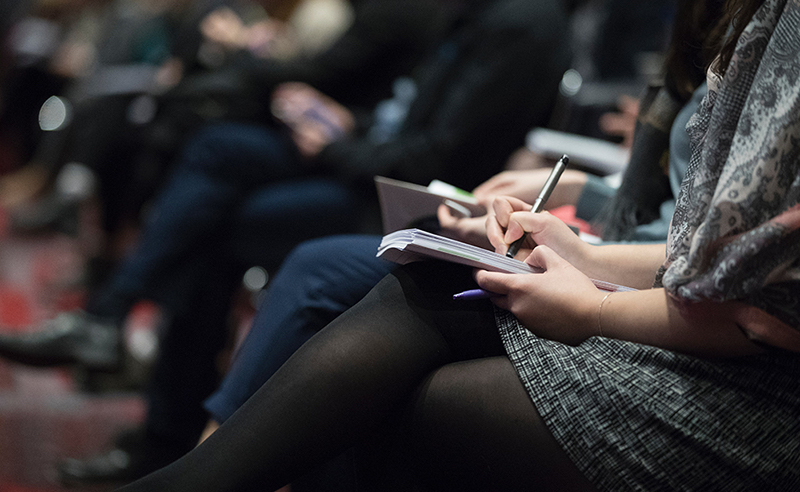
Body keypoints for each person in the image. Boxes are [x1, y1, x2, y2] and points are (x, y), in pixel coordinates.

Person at [113, 0, 800, 490]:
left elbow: (758, 303)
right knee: (400, 272)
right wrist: (582, 252)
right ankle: (177, 442)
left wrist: (592, 294)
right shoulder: (743, 22)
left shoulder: (523, 22)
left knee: (379, 353)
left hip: (751, 395)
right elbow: (708, 249)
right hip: (662, 287)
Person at [0, 0, 574, 485]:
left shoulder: (517, 23)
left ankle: (184, 443)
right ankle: (168, 419)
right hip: (371, 164)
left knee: (230, 221)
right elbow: (399, 113)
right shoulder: (468, 12)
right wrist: (342, 122)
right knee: (213, 154)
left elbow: (434, 159)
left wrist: (331, 143)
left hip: (420, 202)